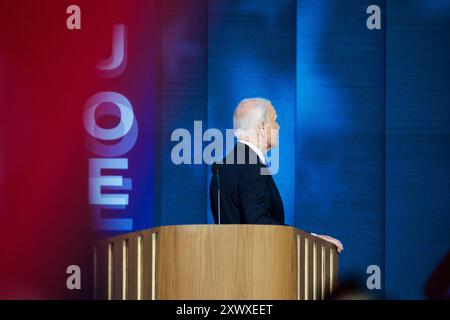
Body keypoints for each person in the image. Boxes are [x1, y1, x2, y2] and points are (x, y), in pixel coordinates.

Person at [209, 97, 343, 253]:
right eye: (274, 121)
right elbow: (260, 225)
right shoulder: (251, 167)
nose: (278, 126)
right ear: (262, 128)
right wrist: (312, 239)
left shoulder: (224, 166)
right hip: (257, 268)